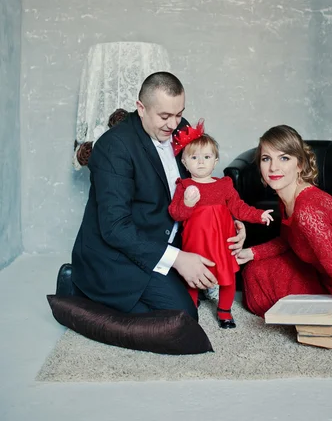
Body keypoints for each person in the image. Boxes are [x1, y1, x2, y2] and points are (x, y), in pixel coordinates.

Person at [71, 72, 245, 321]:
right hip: (122, 252)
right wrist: (178, 259)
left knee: (229, 277)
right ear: (141, 108)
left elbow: (200, 183)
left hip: (170, 236)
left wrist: (230, 222)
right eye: (164, 116)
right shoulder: (113, 147)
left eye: (179, 113)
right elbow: (115, 228)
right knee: (182, 317)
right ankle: (76, 287)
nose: (174, 125)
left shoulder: (181, 129)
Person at [236, 125, 332, 363]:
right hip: (322, 274)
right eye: (266, 158)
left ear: (300, 164)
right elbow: (287, 241)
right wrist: (251, 253)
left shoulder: (308, 211)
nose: (273, 167)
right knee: (254, 274)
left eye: (284, 158)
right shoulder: (287, 196)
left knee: (260, 292)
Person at [168, 120, 273, 328]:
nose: (200, 162)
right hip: (196, 242)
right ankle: (191, 307)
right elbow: (176, 214)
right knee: (193, 277)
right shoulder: (184, 186)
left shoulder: (224, 185)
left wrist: (259, 215)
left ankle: (225, 311)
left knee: (227, 276)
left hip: (221, 242)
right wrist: (188, 204)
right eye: (194, 158)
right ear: (185, 163)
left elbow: (238, 207)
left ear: (215, 161)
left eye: (206, 157)